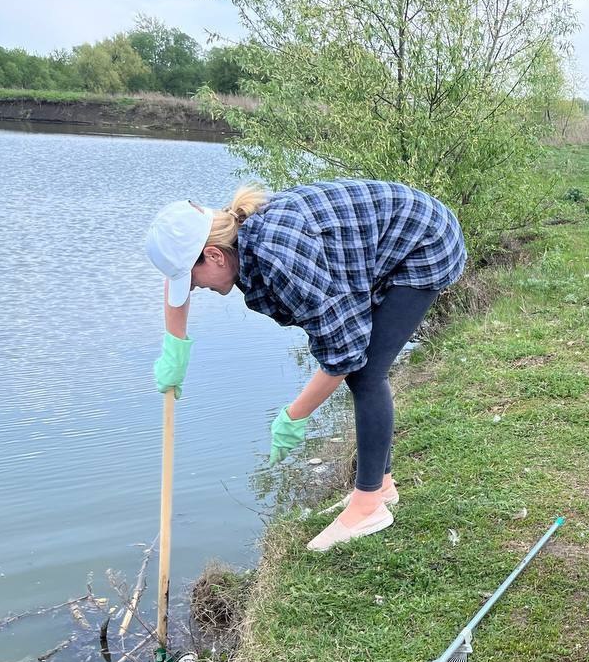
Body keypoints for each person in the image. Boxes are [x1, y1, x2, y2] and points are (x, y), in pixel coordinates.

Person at [145, 179, 467, 552]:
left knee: (366, 374)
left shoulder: (280, 260)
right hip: (386, 238)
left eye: (193, 280)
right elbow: (181, 278)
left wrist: (294, 416)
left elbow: (344, 352)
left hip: (423, 242)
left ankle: (369, 507)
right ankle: (380, 486)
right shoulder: (229, 236)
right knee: (362, 368)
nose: (195, 289)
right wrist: (175, 346)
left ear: (215, 256)